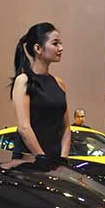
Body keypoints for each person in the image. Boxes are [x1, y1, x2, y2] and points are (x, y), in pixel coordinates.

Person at [10, 23, 69, 159]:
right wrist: (42, 158)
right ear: (38, 48)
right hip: (28, 160)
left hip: (55, 160)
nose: (61, 48)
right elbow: (24, 128)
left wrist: (63, 158)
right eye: (55, 44)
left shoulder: (60, 83)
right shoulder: (23, 80)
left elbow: (66, 127)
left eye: (60, 43)